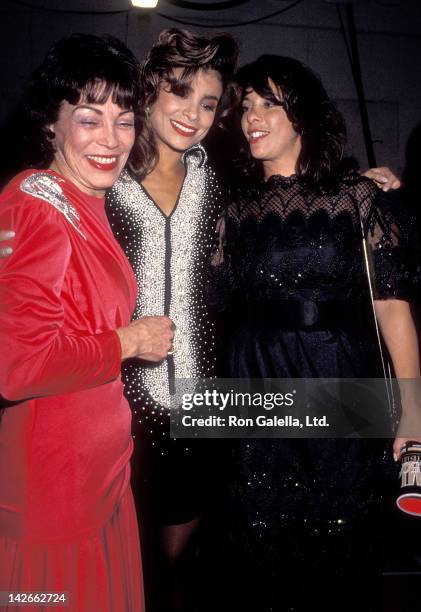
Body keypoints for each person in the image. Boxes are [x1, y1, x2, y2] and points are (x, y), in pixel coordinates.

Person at [208, 55, 421, 612]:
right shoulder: (231, 211)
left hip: (340, 373)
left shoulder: (359, 197)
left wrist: (414, 413)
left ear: (302, 113)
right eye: (245, 106)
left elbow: (393, 312)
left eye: (268, 103)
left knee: (342, 533)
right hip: (254, 379)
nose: (252, 116)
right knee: (259, 534)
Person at [0, 33, 174, 612]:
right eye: (89, 118)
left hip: (96, 483)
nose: (110, 139)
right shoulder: (36, 203)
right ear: (51, 123)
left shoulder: (83, 199)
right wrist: (128, 340)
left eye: (124, 121)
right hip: (56, 499)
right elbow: (18, 367)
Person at [105, 28, 239, 611]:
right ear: (151, 88)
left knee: (178, 556)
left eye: (208, 103)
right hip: (116, 394)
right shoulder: (104, 171)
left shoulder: (214, 176)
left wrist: (364, 186)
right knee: (122, 548)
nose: (193, 114)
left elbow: (292, 187)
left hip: (200, 398)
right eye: (181, 92)